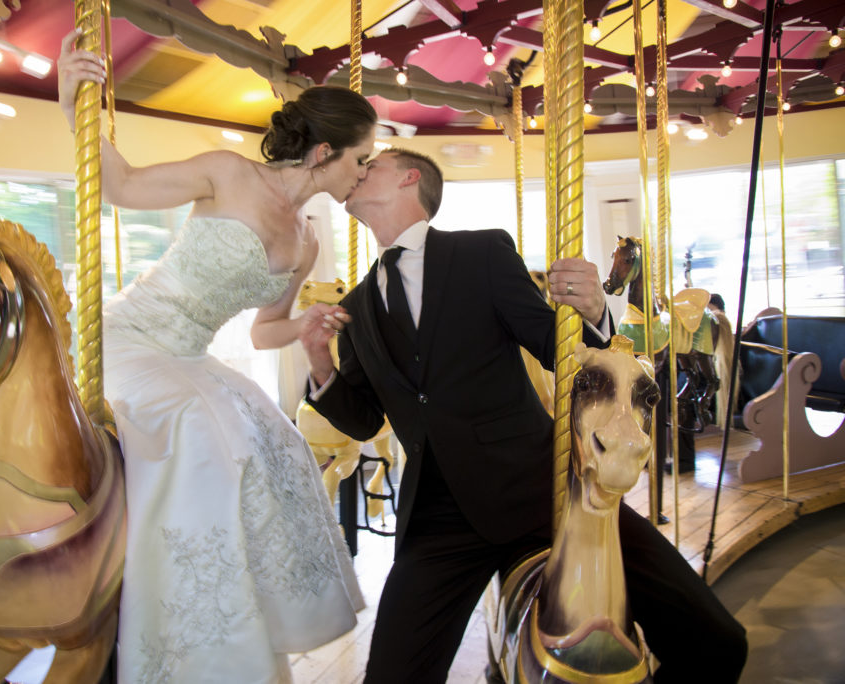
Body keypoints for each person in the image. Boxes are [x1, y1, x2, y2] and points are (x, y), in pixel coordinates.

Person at [299, 149, 748, 683]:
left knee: (717, 642)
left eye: (371, 163)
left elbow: (557, 345)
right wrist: (317, 360)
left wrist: (595, 310)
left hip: (542, 492)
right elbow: (362, 420)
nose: (357, 171)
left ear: (409, 178)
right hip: (439, 523)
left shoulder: (481, 252)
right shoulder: (357, 307)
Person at [57, 30, 377, 683]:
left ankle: (243, 623)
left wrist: (308, 327)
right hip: (133, 339)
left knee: (280, 442)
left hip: (190, 354)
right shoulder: (228, 172)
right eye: (360, 159)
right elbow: (118, 185)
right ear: (324, 153)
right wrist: (71, 104)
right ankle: (173, 621)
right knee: (203, 428)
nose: (363, 172)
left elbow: (265, 332)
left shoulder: (306, 241)